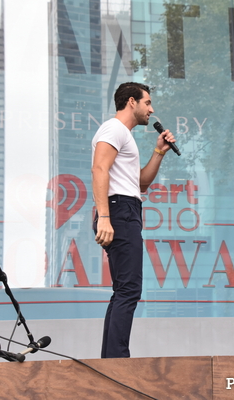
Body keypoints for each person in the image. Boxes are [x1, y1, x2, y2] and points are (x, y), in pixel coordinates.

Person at [91, 82, 175, 358]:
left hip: (126, 207)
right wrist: (104, 217)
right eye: (147, 103)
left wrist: (159, 151)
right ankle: (117, 360)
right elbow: (99, 168)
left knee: (123, 290)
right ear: (131, 102)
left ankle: (110, 359)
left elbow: (140, 183)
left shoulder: (123, 135)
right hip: (118, 210)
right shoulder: (114, 129)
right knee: (129, 290)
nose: (151, 109)